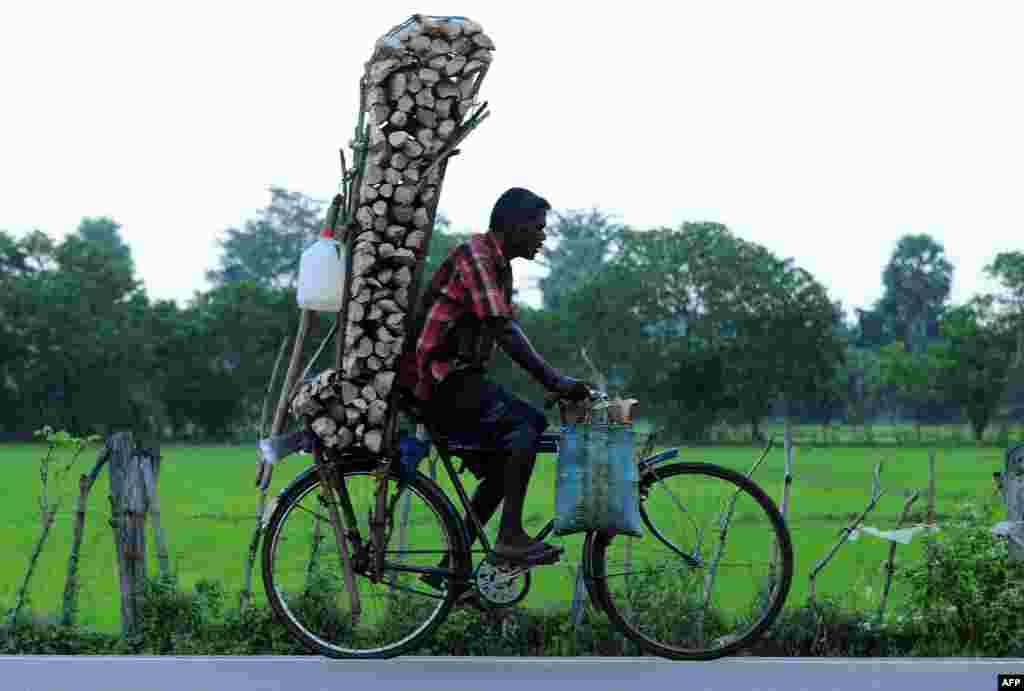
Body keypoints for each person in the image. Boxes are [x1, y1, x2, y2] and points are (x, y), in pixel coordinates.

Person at [396, 187, 591, 583]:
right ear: (512, 226)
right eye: (537, 228)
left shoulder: (500, 266)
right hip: (436, 380)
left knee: (507, 464)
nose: (543, 236)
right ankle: (510, 537)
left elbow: (505, 329)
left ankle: (450, 569)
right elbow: (502, 329)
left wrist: (550, 382)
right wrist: (555, 380)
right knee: (528, 425)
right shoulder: (477, 256)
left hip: (455, 379)